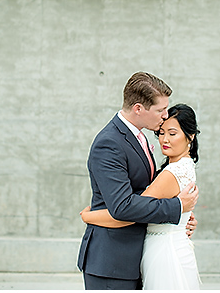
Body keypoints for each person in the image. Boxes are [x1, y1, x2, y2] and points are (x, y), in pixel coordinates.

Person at [78, 72, 199, 290]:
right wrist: (177, 207)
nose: (165, 115)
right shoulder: (109, 143)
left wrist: (181, 219)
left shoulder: (139, 136)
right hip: (112, 262)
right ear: (138, 109)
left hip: (137, 258)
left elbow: (147, 192)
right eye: (160, 110)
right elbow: (123, 206)